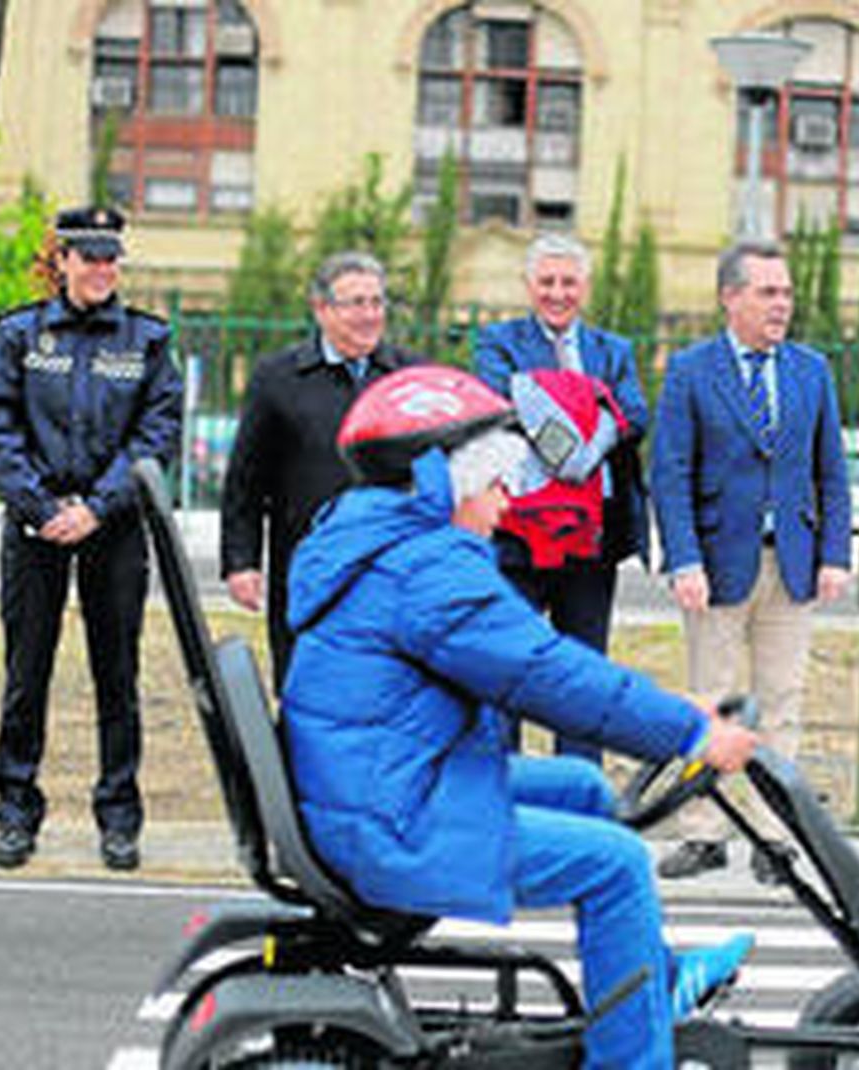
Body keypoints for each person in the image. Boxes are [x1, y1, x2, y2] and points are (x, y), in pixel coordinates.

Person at [280, 365, 758, 1070]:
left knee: (585, 788)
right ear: (447, 480)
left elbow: (543, 663)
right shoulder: (427, 569)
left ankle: (653, 981)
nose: (509, 501)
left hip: (374, 785)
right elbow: (545, 675)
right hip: (389, 818)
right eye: (498, 480)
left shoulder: (374, 539)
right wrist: (688, 734)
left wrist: (671, 712)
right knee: (620, 864)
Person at [0, 206, 183, 871]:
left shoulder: (146, 340)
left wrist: (96, 507)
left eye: (112, 258)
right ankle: (15, 814)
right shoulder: (20, 335)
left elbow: (157, 435)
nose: (102, 270)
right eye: (89, 257)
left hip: (113, 530)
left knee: (116, 677)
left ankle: (118, 818)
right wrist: (42, 507)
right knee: (25, 676)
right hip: (36, 529)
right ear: (61, 261)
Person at [650, 239, 853, 884]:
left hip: (791, 564)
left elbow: (832, 470)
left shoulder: (810, 370)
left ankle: (774, 837)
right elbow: (670, 473)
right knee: (711, 701)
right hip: (715, 566)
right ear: (729, 297)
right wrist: (683, 559)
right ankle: (704, 834)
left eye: (786, 292)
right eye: (767, 292)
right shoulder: (691, 371)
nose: (782, 304)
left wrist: (834, 552)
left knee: (783, 700)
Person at [474, 233, 652, 763]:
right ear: (529, 286)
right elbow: (500, 404)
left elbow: (635, 415)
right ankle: (504, 790)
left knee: (581, 672)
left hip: (592, 542)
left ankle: (578, 792)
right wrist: (569, 453)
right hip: (516, 538)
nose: (558, 292)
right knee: (509, 665)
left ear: (585, 286)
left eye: (568, 281)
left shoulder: (612, 350)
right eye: (547, 281)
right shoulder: (498, 341)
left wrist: (588, 447)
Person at [219, 251, 420, 689]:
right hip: (306, 567)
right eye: (355, 304)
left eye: (376, 302)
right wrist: (241, 561)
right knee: (304, 690)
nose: (369, 316)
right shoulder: (277, 378)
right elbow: (245, 481)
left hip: (390, 566)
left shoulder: (411, 376)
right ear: (321, 308)